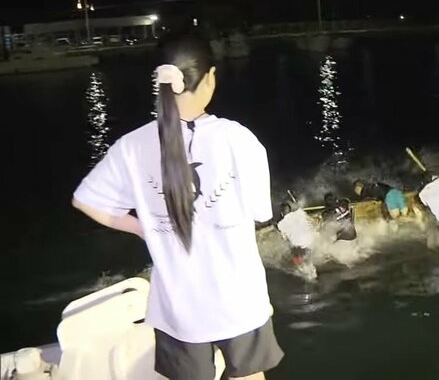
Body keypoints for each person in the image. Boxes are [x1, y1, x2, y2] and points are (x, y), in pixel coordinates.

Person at [71, 34, 283, 380]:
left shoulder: (131, 146)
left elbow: (86, 201)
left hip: (179, 308)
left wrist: (143, 228)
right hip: (239, 300)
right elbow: (261, 213)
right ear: (209, 78)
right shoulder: (240, 140)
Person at [277, 202, 318, 267]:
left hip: (300, 248)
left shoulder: (281, 224)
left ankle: (300, 265)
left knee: (291, 247)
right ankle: (309, 261)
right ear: (290, 210)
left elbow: (285, 239)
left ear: (282, 213)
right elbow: (310, 221)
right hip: (311, 243)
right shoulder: (300, 213)